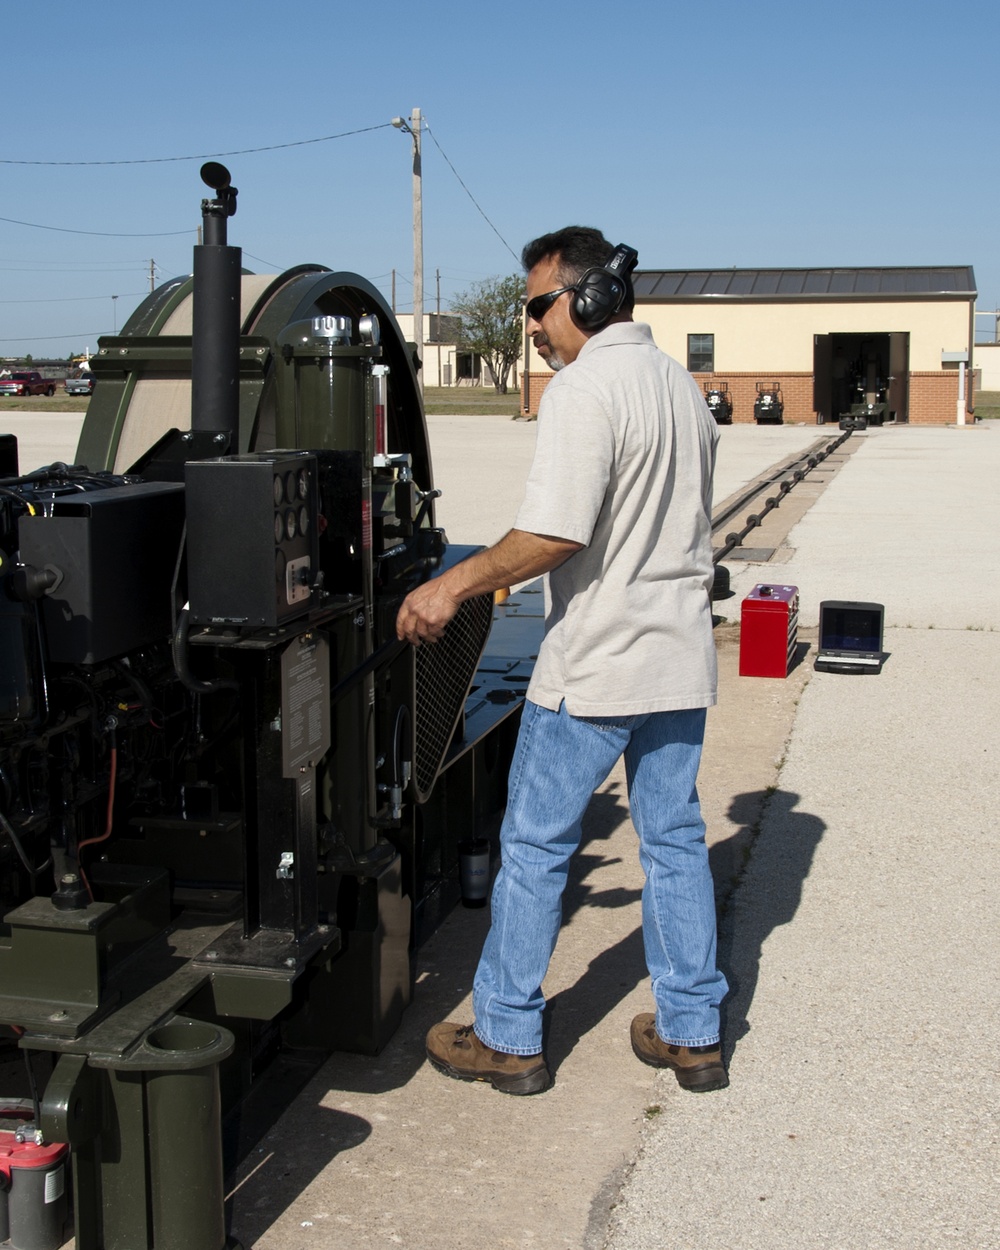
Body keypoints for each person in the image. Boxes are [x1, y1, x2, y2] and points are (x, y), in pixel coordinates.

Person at [396, 226, 728, 1095]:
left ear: (584, 300)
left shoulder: (586, 391)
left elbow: (554, 533)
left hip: (595, 667)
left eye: (539, 307)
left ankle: (508, 1035)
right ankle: (692, 1031)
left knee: (537, 847)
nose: (533, 326)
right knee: (677, 843)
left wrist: (452, 587)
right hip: (677, 662)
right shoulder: (681, 389)